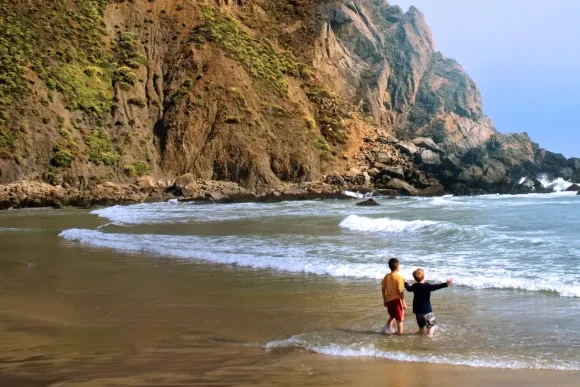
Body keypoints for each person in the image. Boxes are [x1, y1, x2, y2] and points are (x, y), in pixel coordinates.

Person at [405, 268, 453, 336]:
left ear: (415, 278)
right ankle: (429, 336)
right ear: (424, 276)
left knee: (421, 326)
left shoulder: (414, 286)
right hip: (427, 310)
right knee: (431, 325)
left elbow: (408, 288)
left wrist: (405, 282)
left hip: (417, 311)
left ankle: (421, 334)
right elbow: (437, 286)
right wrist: (446, 284)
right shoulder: (427, 286)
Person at [381, 258, 407, 335]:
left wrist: (384, 300)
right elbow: (400, 291)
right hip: (396, 301)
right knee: (400, 319)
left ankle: (387, 330)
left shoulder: (387, 276)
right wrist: (403, 302)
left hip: (389, 300)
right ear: (398, 267)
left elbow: (383, 288)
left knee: (392, 316)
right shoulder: (399, 277)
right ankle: (400, 334)